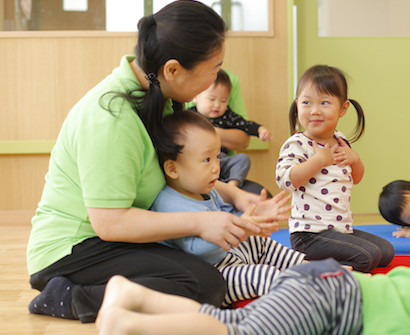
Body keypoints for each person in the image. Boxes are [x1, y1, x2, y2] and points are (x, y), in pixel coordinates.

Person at [95, 163, 410, 335]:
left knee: (234, 322)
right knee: (239, 333)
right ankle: (129, 323)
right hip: (335, 304)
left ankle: (133, 297)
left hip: (330, 287)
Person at [26, 1, 268, 323]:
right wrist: (200, 222)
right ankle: (69, 297)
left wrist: (235, 194)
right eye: (213, 68)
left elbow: (176, 170)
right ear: (172, 70)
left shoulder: (159, 95)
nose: (215, 77)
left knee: (211, 271)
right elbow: (110, 223)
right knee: (203, 283)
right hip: (74, 248)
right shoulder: (111, 118)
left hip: (112, 235)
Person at [151, 110, 305, 306]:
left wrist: (252, 217)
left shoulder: (205, 189)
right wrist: (240, 229)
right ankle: (302, 297)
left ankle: (305, 266)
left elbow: (227, 215)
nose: (216, 167)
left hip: (229, 256)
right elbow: (193, 249)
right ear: (173, 169)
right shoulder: (170, 203)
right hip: (214, 272)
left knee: (261, 243)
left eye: (217, 157)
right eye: (207, 160)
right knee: (264, 274)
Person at [275, 65, 394, 273]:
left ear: (343, 108)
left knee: (386, 251)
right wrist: (317, 161)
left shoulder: (341, 140)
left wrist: (355, 160)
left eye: (325, 102)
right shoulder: (298, 143)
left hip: (339, 230)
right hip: (309, 235)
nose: (314, 110)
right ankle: (311, 267)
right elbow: (285, 180)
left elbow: (355, 179)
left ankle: (334, 260)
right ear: (297, 105)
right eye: (306, 102)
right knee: (368, 257)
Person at [189, 69, 272, 190]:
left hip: (221, 160)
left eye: (223, 101)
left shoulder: (228, 116)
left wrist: (260, 130)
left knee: (243, 159)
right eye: (211, 99)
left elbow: (245, 125)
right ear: (196, 97)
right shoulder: (190, 116)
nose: (217, 105)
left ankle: (232, 186)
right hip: (198, 161)